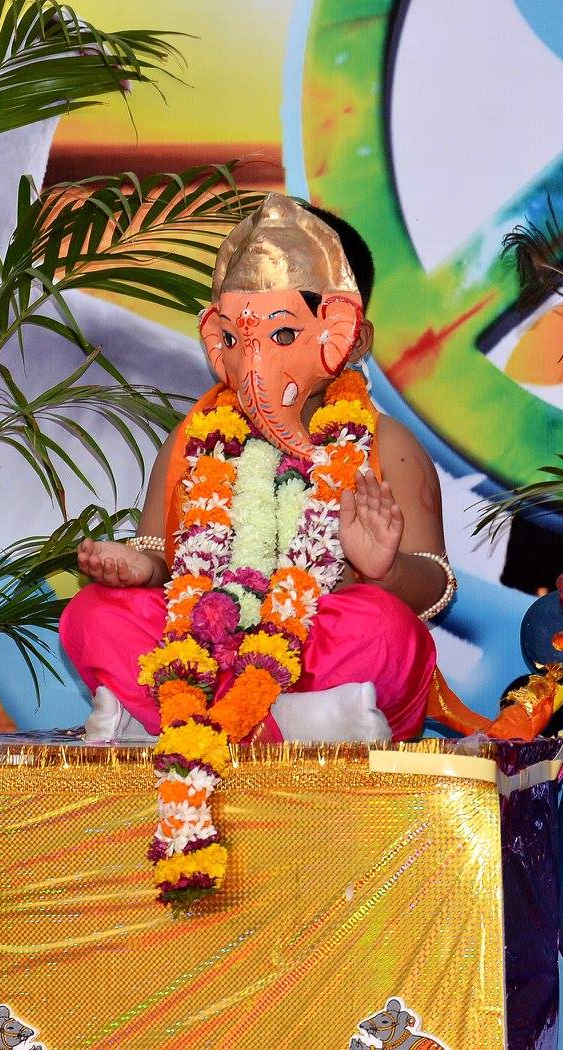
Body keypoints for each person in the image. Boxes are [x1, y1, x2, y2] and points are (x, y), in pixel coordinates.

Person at [59, 194, 453, 746]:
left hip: (319, 654)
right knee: (93, 614)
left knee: (385, 630)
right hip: (207, 645)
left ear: (350, 335)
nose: (257, 357)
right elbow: (162, 562)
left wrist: (381, 571)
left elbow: (433, 585)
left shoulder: (387, 445)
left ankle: (168, 720)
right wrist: (141, 568)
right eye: (236, 336)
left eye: (283, 333)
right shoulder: (193, 440)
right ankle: (289, 723)